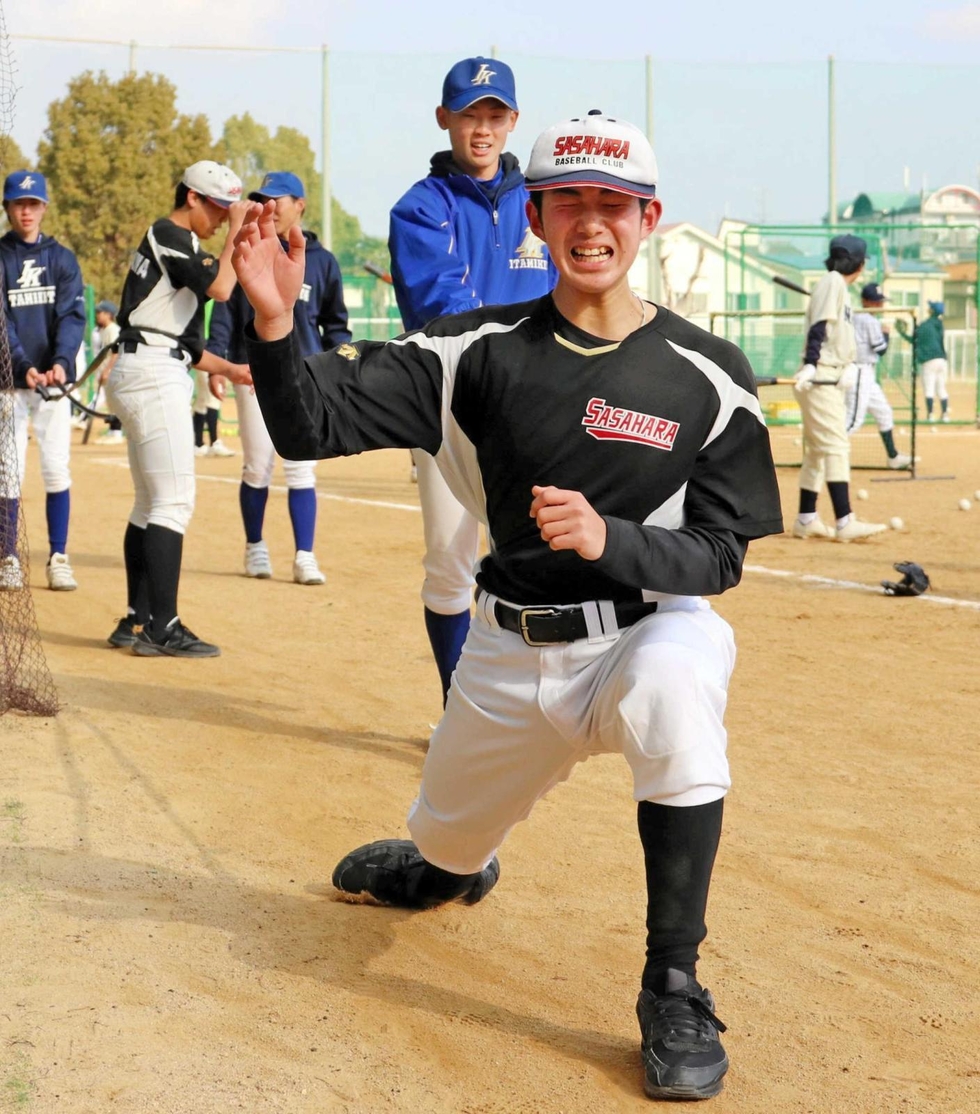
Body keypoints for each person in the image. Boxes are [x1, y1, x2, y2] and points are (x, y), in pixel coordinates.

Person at [234, 109, 784, 1102]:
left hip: (644, 629)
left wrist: (610, 539)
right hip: (509, 650)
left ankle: (673, 982)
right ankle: (445, 866)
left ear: (647, 216)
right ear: (533, 215)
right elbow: (307, 423)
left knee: (674, 692)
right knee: (444, 845)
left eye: (610, 201)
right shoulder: (467, 353)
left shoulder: (707, 377)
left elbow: (719, 554)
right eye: (566, 198)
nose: (589, 221)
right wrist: (275, 326)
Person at [388, 55, 556, 705]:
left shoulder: (541, 207)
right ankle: (459, 706)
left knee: (540, 554)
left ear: (513, 121)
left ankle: (533, 703)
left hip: (537, 407)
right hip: (450, 411)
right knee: (451, 565)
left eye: (494, 115)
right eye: (468, 115)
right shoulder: (420, 208)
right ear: (444, 120)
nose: (481, 128)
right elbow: (448, 310)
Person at [104, 160, 252, 656]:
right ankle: (163, 627)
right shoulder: (170, 232)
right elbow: (223, 288)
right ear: (192, 197)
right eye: (218, 207)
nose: (223, 217)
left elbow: (182, 343)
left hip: (151, 365)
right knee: (173, 502)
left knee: (150, 503)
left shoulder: (179, 245)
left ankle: (137, 619)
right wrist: (236, 234)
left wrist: (229, 369)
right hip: (150, 374)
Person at [206, 170, 350, 585]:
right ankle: (255, 546)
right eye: (262, 199)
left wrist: (339, 364)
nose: (270, 206)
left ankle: (304, 555)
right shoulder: (249, 250)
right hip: (253, 372)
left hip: (305, 374)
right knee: (257, 467)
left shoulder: (322, 262)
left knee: (302, 467)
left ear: (300, 204)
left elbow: (335, 322)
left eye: (278, 199)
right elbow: (229, 312)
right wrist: (218, 358)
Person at [0, 169, 86, 591]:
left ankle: (58, 556)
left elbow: (71, 317)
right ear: (8, 209)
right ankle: (7, 557)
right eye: (19, 204)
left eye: (33, 204)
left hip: (51, 385)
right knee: (6, 474)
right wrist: (22, 366)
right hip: (8, 385)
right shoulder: (0, 256)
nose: (26, 211)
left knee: (56, 469)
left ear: (44, 207)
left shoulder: (63, 259)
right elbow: (1, 322)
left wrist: (61, 361)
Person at [790, 235, 887, 542]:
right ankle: (845, 521)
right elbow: (819, 327)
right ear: (858, 264)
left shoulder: (835, 286)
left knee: (819, 451)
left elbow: (830, 330)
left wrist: (843, 365)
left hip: (831, 374)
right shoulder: (833, 282)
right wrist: (811, 363)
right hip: (821, 377)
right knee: (836, 447)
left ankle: (807, 518)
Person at [845, 282, 912, 470]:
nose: (880, 306)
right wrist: (886, 334)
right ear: (866, 301)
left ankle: (893, 457)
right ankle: (825, 456)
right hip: (859, 371)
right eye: (876, 302)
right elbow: (881, 350)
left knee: (884, 412)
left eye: (880, 302)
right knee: (852, 421)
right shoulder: (869, 320)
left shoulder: (854, 316)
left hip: (865, 372)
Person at [895, 300, 949, 422]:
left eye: (930, 308)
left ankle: (930, 415)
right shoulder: (940, 325)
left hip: (929, 360)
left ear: (932, 311)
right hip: (941, 359)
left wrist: (902, 333)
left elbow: (914, 340)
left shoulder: (925, 325)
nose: (928, 309)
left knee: (929, 388)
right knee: (941, 388)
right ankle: (945, 415)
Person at [92, 300, 124, 443]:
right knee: (110, 403)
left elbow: (116, 353)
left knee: (115, 401)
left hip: (114, 371)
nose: (98, 315)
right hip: (106, 370)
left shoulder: (113, 330)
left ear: (109, 315)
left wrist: (107, 370)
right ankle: (112, 431)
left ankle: (117, 433)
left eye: (101, 313)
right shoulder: (104, 330)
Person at [191, 368, 235, 457]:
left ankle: (198, 443)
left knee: (202, 401)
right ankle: (214, 443)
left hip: (204, 361)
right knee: (213, 398)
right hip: (208, 363)